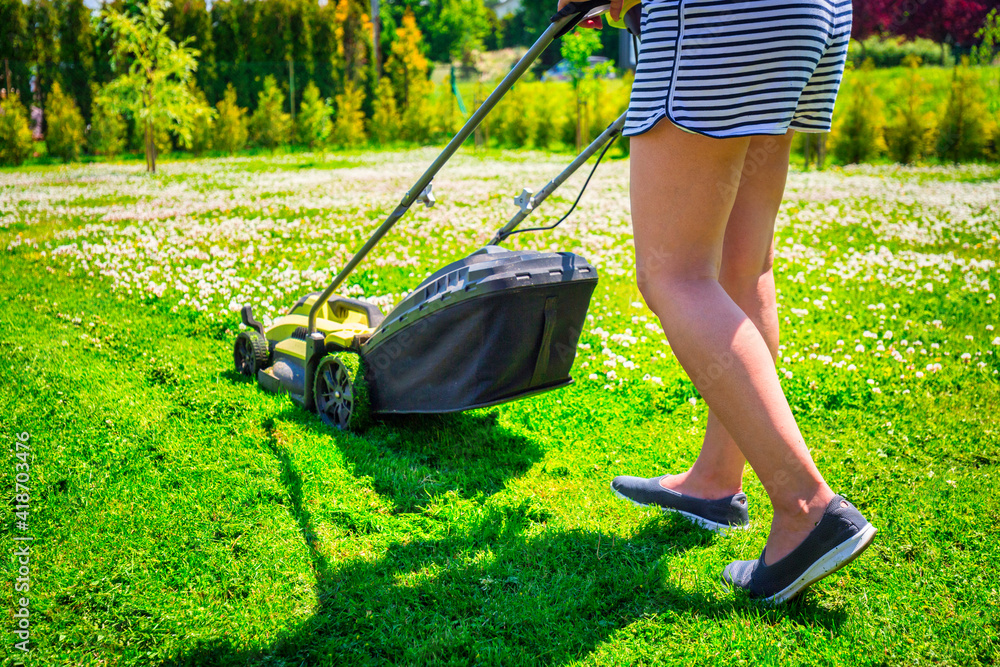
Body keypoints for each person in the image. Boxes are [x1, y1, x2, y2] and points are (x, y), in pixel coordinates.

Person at [559, 0, 876, 603]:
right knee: (743, 264)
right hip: (812, 17)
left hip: (719, 19)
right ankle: (714, 480)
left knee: (675, 276)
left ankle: (806, 508)